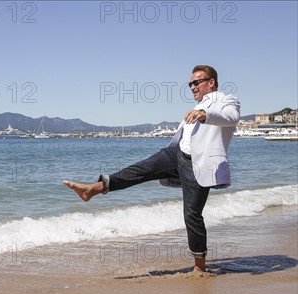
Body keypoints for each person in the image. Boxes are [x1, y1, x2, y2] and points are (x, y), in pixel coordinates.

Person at [63, 65, 240, 272]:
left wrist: (204, 114)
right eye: (190, 84)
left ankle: (199, 267)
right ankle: (94, 189)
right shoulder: (197, 105)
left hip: (198, 165)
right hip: (176, 154)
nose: (192, 87)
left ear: (211, 82)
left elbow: (232, 117)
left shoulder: (227, 100)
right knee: (141, 169)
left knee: (192, 214)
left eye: (196, 82)